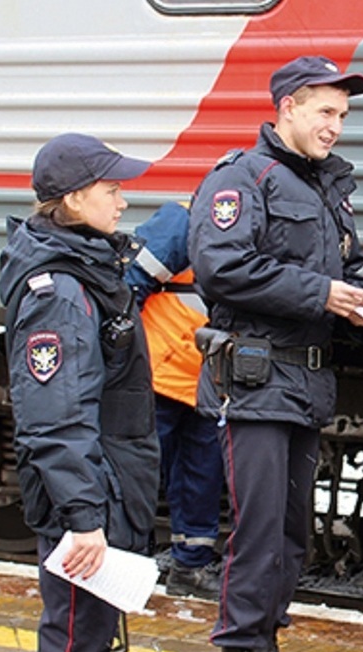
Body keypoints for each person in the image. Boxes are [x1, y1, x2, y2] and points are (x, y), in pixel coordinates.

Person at [188, 55, 363, 652]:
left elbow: (334, 268)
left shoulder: (326, 187)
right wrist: (322, 292)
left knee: (291, 538)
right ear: (289, 106)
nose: (336, 126)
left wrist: (354, 297)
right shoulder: (242, 178)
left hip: (303, 383)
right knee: (257, 533)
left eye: (342, 116)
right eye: (326, 112)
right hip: (257, 382)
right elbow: (223, 265)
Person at [0, 132, 158, 652]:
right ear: (72, 198)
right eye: (111, 187)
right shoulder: (59, 292)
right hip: (83, 504)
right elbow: (55, 417)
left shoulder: (84, 268)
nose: (124, 198)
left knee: (89, 648)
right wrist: (85, 518)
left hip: (103, 488)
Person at [124, 200, 225, 601]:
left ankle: (191, 567)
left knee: (201, 476)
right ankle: (122, 565)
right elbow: (128, 287)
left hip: (203, 378)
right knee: (138, 476)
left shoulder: (246, 224)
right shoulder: (182, 221)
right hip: (160, 374)